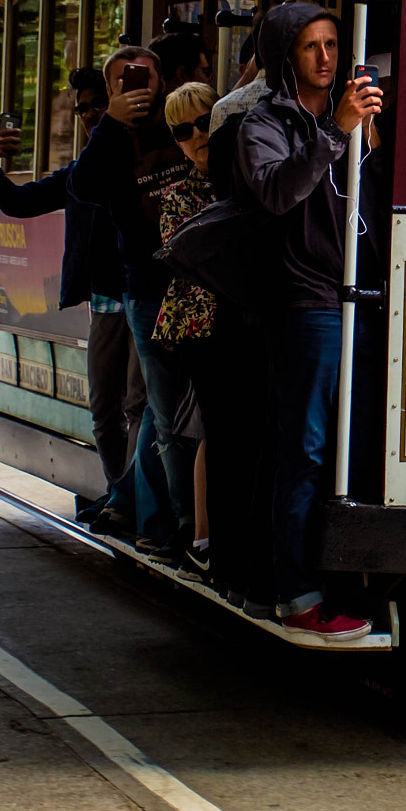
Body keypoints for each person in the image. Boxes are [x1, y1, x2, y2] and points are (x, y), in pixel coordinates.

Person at [237, 2, 383, 642]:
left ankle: (341, 579)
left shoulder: (347, 116)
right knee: (306, 449)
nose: (325, 58)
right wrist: (337, 134)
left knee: (352, 449)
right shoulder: (264, 122)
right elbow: (275, 193)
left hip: (362, 295)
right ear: (283, 57)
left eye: (331, 44)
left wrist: (364, 135)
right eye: (309, 47)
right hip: (306, 302)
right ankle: (295, 594)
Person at [0, 68, 145, 531]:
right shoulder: (82, 173)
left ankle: (133, 503)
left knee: (138, 405)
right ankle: (117, 494)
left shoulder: (149, 157)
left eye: (97, 104)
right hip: (107, 303)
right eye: (83, 107)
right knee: (105, 409)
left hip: (145, 301)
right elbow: (21, 203)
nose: (90, 114)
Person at [69, 45, 195, 559]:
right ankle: (163, 526)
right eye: (122, 81)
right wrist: (110, 125)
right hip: (146, 293)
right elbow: (83, 185)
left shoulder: (178, 124)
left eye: (142, 77)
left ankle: (131, 502)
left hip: (198, 287)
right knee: (162, 415)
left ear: (162, 80)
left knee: (173, 412)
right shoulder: (112, 139)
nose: (134, 86)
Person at [156, 81, 222, 581]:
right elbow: (192, 256)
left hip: (243, 321)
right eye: (183, 131)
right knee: (209, 429)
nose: (197, 136)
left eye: (204, 122)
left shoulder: (249, 174)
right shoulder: (179, 194)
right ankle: (202, 538)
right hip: (203, 327)